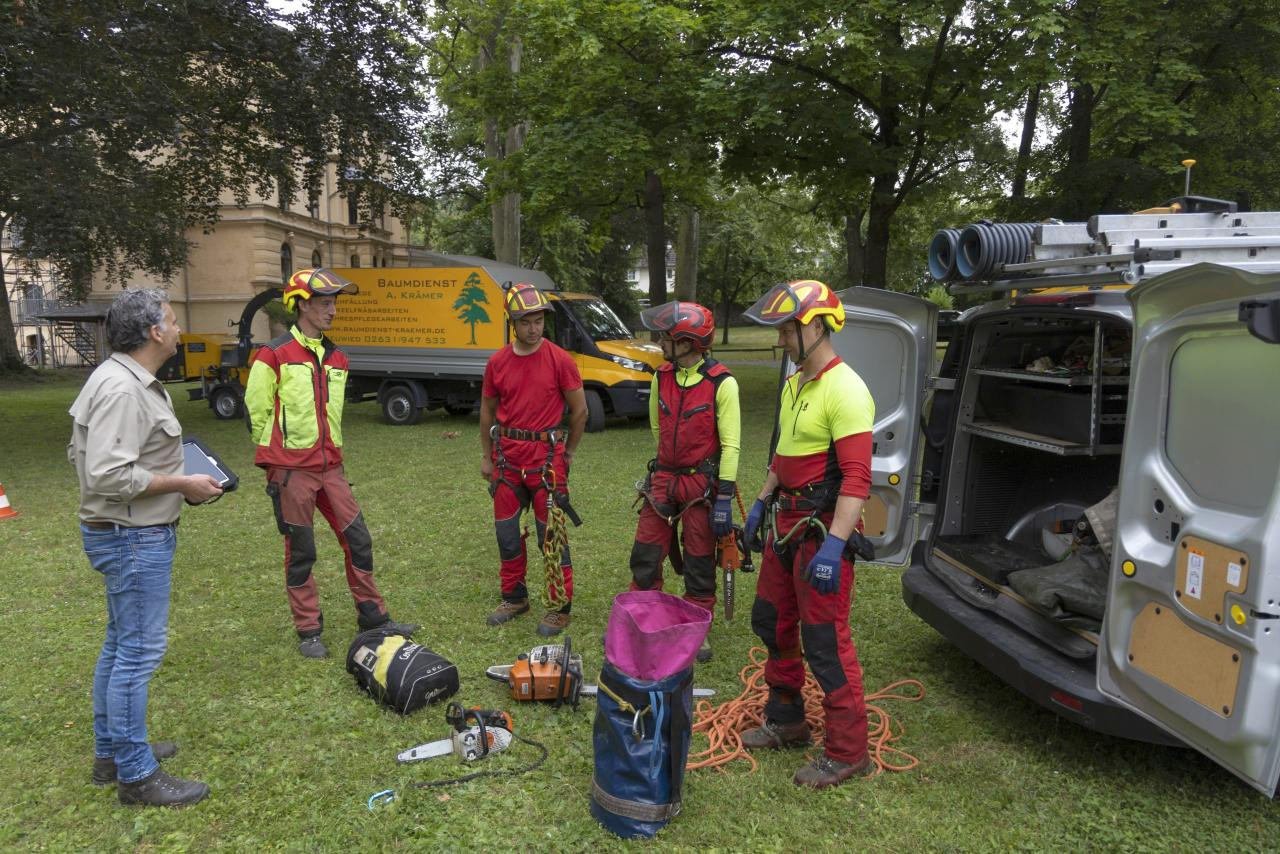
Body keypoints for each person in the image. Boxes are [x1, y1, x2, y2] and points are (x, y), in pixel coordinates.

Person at [69, 287, 223, 807]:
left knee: (120, 645)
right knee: (137, 653)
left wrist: (178, 481)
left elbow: (92, 458)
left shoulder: (119, 378)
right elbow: (108, 472)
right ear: (155, 332)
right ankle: (135, 775)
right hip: (132, 536)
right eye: (174, 322)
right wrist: (182, 484)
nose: (180, 330)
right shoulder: (122, 389)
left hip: (123, 529)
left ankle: (112, 754)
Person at [738, 280, 876, 790]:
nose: (780, 341)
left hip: (821, 532)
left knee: (825, 642)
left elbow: (858, 478)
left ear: (815, 326)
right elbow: (785, 453)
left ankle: (848, 753)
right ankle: (788, 718)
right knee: (771, 620)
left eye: (786, 330)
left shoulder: (847, 389)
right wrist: (759, 499)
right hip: (784, 523)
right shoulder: (795, 382)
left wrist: (836, 545)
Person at [244, 268, 417, 659]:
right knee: (301, 550)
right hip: (292, 472)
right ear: (300, 304)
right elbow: (255, 411)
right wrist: (277, 462)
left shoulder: (338, 357)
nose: (333, 309)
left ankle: (373, 617)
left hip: (331, 468)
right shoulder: (272, 355)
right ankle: (309, 630)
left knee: (359, 540)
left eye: (335, 302)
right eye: (325, 302)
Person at [628, 301, 740, 662]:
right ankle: (642, 621)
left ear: (688, 342)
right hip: (662, 479)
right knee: (645, 553)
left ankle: (697, 627)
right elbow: (658, 428)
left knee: (699, 558)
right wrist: (663, 468)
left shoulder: (722, 383)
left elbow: (732, 445)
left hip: (700, 485)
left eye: (666, 337)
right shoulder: (661, 376)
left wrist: (723, 497)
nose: (661, 342)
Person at [479, 282, 586, 636]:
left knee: (550, 536)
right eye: (526, 321)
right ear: (513, 322)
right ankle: (515, 596)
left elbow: (580, 410)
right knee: (506, 533)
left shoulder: (560, 360)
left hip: (547, 460)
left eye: (538, 320)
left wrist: (568, 452)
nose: (533, 328)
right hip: (508, 459)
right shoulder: (498, 362)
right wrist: (487, 457)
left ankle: (558, 606)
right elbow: (488, 410)